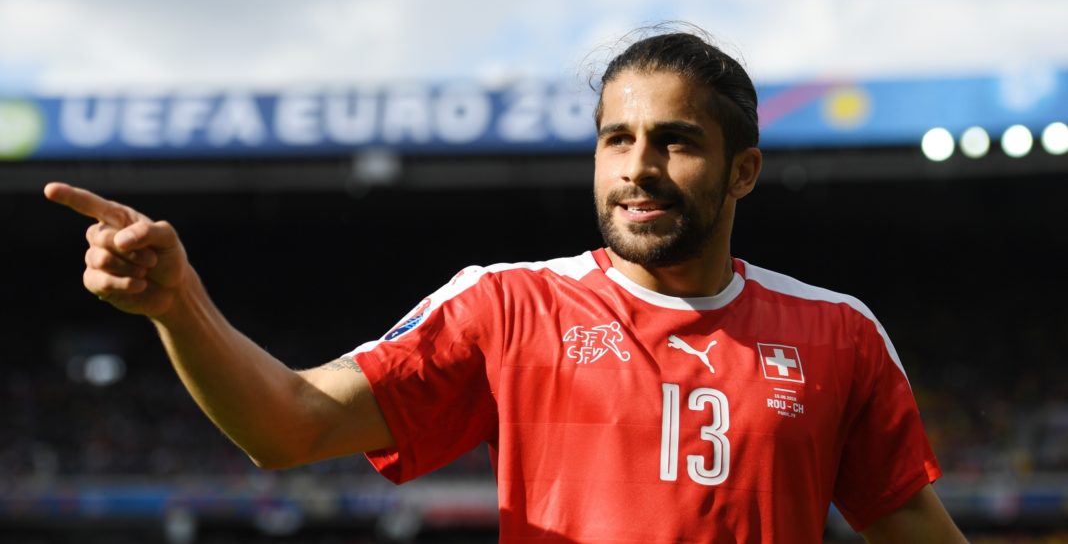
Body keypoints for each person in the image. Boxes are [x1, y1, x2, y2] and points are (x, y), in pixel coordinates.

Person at [45, 27, 967, 543]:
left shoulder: (837, 334)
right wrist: (178, 305)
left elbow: (909, 525)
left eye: (676, 142)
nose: (637, 167)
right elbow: (288, 425)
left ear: (744, 171)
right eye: (616, 139)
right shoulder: (506, 307)